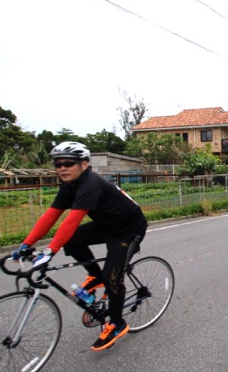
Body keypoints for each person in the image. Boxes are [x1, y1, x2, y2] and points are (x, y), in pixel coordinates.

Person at [11, 141, 148, 351]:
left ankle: (117, 323)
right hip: (106, 225)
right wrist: (26, 244)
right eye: (58, 164)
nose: (62, 168)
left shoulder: (90, 184)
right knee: (73, 239)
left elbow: (72, 220)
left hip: (128, 230)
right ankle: (94, 275)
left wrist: (49, 252)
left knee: (112, 277)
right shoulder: (69, 186)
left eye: (69, 163)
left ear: (84, 164)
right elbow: (51, 216)